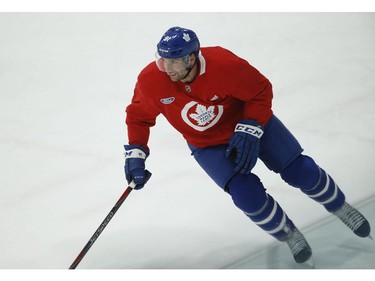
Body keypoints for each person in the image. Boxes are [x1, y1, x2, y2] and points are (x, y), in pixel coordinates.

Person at [123, 26, 371, 264]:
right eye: (163, 59)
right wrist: (136, 154)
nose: (166, 67)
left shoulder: (223, 64)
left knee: (300, 171)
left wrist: (250, 127)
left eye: (174, 61)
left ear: (191, 58)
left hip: (251, 124)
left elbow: (260, 90)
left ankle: (340, 206)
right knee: (246, 196)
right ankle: (290, 235)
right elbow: (138, 116)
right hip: (208, 145)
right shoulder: (151, 80)